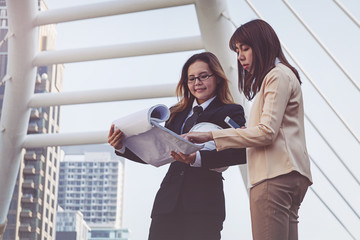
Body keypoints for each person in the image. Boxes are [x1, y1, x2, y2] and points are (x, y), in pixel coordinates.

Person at [185, 19, 313, 240]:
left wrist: (211, 135)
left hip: (272, 175)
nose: (240, 56)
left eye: (245, 48)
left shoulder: (276, 75)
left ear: (262, 45)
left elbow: (266, 132)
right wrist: (247, 131)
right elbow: (273, 129)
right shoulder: (285, 75)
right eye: (237, 51)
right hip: (292, 173)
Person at [108, 52, 246, 240]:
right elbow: (158, 153)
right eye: (191, 78)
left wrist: (197, 158)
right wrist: (122, 147)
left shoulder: (231, 112)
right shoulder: (176, 114)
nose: (197, 82)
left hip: (204, 205)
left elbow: (240, 152)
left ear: (218, 78)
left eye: (203, 76)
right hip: (167, 205)